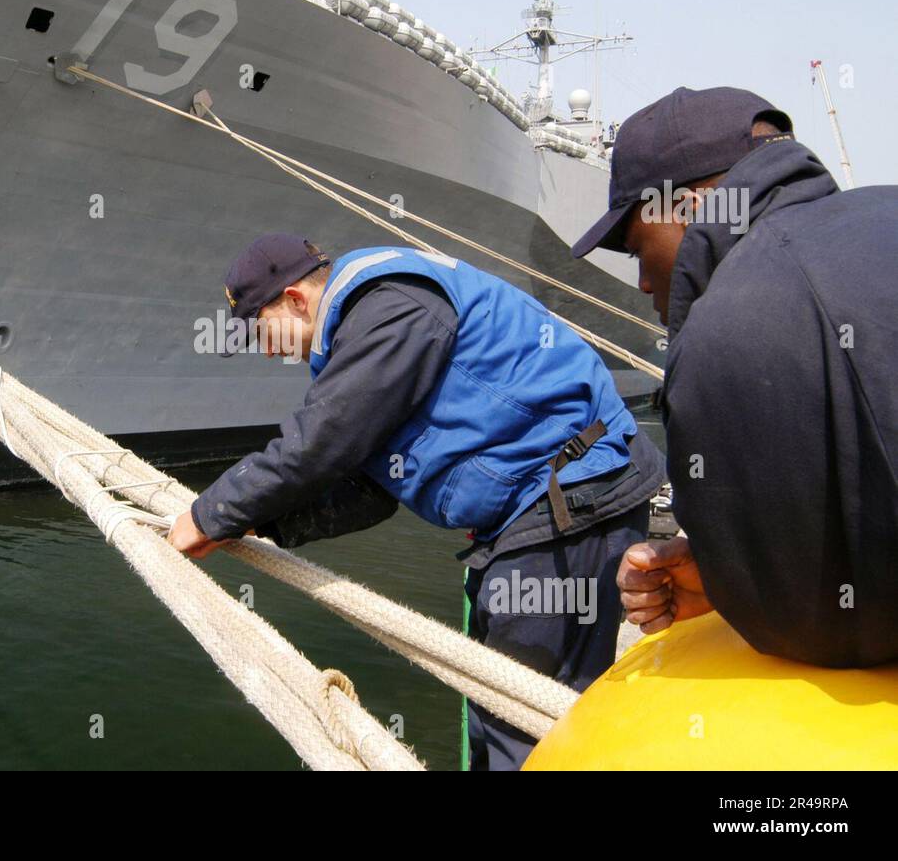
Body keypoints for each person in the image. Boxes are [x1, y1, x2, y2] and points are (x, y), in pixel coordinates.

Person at [167, 234, 666, 769]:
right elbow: (369, 486)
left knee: (523, 722)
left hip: (568, 502)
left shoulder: (388, 306)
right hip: (540, 511)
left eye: (260, 330)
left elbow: (321, 441)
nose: (265, 350)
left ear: (294, 299)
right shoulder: (369, 325)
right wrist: (258, 526)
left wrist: (207, 514)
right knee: (498, 707)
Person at [571, 86, 898, 667]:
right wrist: (744, 562)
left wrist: (744, 586)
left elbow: (823, 631)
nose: (645, 282)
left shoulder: (724, 327)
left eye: (637, 247)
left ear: (692, 207)